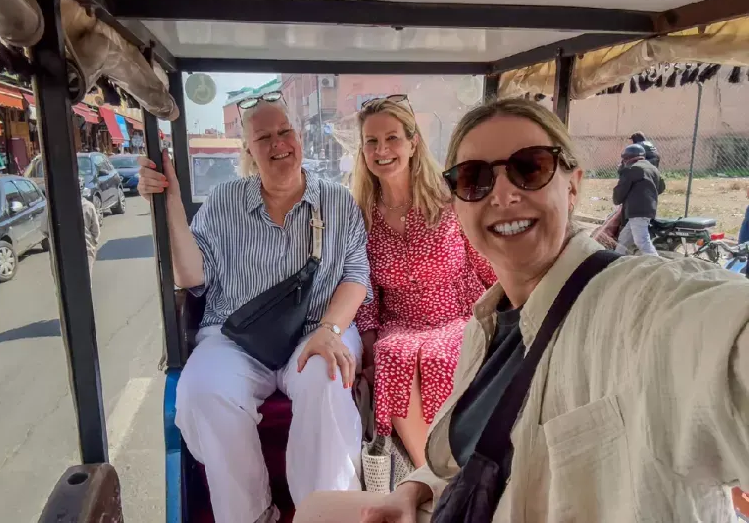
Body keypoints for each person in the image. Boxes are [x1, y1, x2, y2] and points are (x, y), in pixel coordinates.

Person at [295, 98, 749, 523]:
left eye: (530, 168)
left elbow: (720, 334)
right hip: (464, 492)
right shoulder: (485, 330)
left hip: (446, 326)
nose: (503, 194)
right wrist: (418, 487)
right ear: (460, 203)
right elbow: (463, 456)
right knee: (314, 509)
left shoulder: (640, 302)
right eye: (475, 178)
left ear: (573, 185)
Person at [137, 91, 373, 523]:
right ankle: (251, 515)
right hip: (237, 335)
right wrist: (168, 201)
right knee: (203, 390)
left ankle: (323, 514)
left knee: (328, 377)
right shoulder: (225, 200)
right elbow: (191, 274)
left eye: (285, 131)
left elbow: (356, 275)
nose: (278, 143)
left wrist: (330, 330)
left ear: (298, 137)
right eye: (264, 137)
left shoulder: (337, 201)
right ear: (248, 150)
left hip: (318, 329)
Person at [350, 95, 496, 467]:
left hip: (457, 315)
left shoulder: (449, 199)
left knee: (438, 355)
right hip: (400, 322)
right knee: (391, 354)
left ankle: (456, 467)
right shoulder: (361, 215)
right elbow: (365, 291)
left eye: (392, 138)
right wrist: (367, 346)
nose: (382, 150)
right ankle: (428, 474)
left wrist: (514, 309)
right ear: (363, 151)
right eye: (371, 141)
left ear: (413, 143)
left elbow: (485, 260)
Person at [613, 143, 665, 256]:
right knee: (624, 239)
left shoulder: (631, 169)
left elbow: (620, 191)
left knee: (641, 241)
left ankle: (656, 262)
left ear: (627, 158)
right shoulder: (653, 169)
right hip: (648, 210)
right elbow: (661, 187)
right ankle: (616, 258)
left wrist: (621, 172)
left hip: (636, 211)